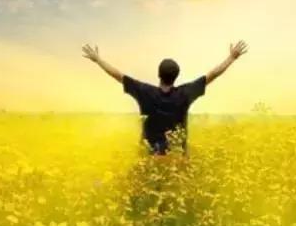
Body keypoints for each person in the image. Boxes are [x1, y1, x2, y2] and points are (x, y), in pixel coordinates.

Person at [82, 41, 248, 155]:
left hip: (149, 157)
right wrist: (231, 58)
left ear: (158, 75)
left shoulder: (145, 91)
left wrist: (98, 60)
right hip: (176, 157)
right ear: (176, 76)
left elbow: (118, 75)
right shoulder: (185, 93)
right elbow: (213, 75)